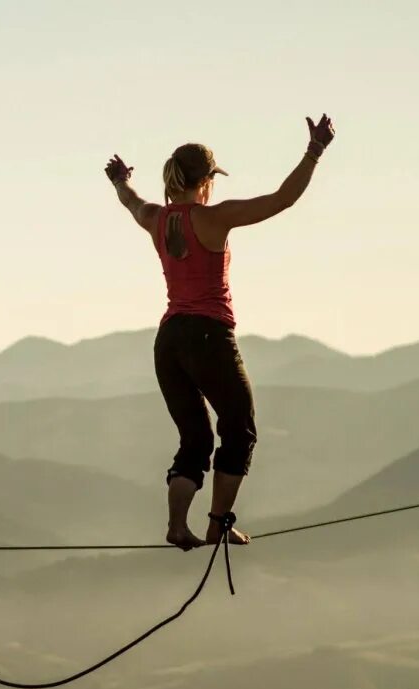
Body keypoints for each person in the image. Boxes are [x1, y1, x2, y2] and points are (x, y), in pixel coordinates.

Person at [104, 115, 336, 550]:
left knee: (194, 439)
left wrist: (118, 180)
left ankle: (176, 525)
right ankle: (217, 523)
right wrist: (314, 151)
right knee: (240, 428)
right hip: (208, 336)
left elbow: (131, 201)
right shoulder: (213, 219)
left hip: (168, 341)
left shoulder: (156, 218)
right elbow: (282, 199)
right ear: (208, 180)